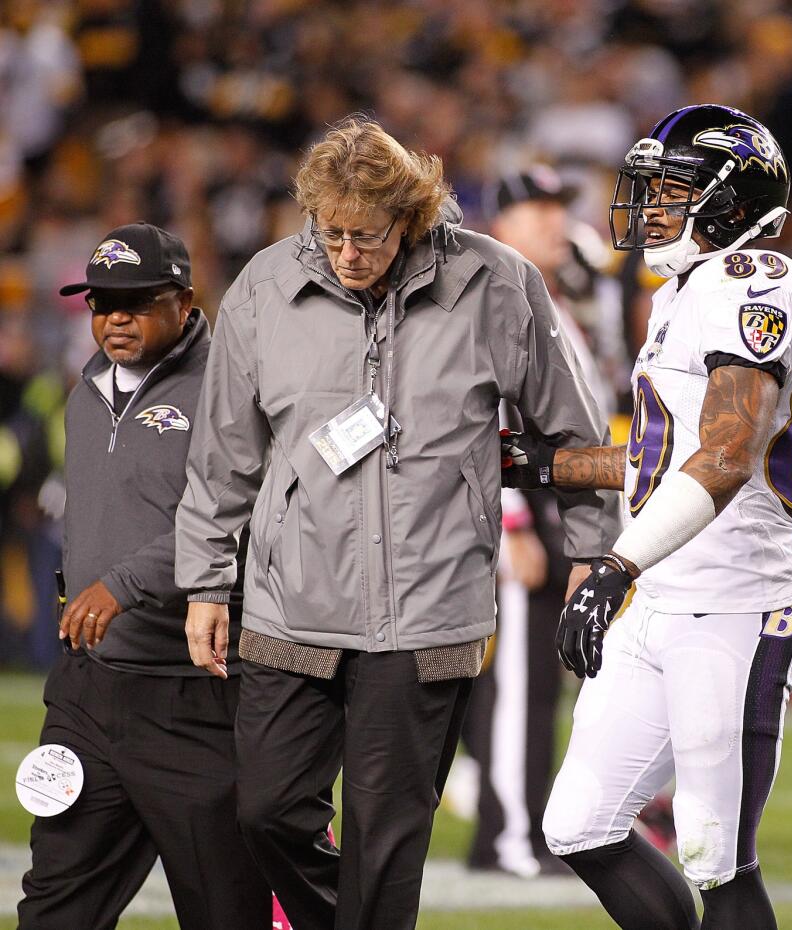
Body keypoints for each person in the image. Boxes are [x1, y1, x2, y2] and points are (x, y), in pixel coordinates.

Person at [174, 116, 618, 930]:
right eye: (330, 233)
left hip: (430, 607)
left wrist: (595, 553)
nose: (346, 253)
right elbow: (223, 455)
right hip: (289, 600)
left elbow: (572, 433)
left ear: (411, 217)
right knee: (266, 810)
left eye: (367, 236)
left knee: (387, 845)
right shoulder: (265, 289)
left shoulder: (497, 282)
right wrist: (205, 580)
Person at [503, 104, 792, 930]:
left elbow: (721, 460)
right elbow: (659, 459)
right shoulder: (685, 292)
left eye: (672, 191)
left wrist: (615, 566)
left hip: (738, 606)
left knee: (717, 858)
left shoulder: (763, 284)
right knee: (578, 824)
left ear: (730, 204)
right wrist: (541, 462)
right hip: (666, 593)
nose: (649, 210)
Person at [18, 223, 270, 929]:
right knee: (55, 905)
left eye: (135, 302)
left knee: (227, 909)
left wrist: (123, 584)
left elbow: (231, 514)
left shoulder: (229, 388)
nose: (115, 319)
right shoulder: (86, 388)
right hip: (89, 693)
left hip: (190, 694)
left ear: (185, 302)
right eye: (102, 304)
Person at [461, 165, 613, 878]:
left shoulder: (553, 298)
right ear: (503, 225)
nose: (555, 222)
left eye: (559, 207)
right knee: (516, 682)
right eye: (537, 210)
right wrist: (512, 521)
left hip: (552, 514)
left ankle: (519, 827)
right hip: (514, 514)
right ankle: (512, 836)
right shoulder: (495, 293)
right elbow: (482, 407)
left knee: (538, 684)